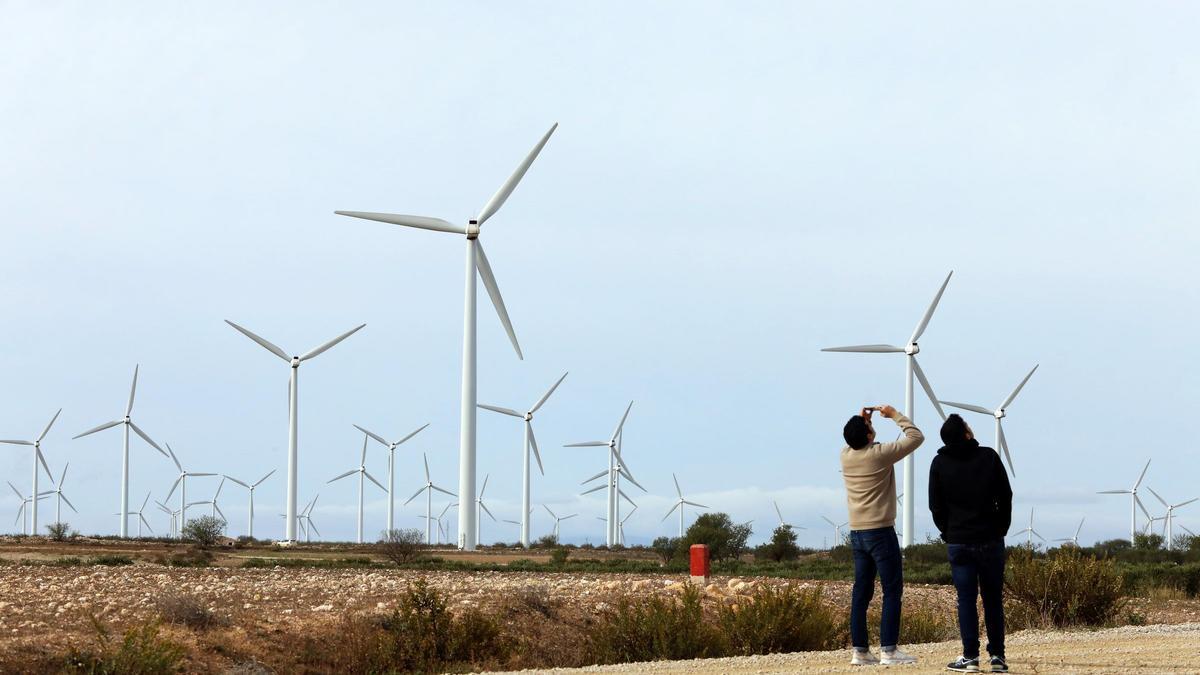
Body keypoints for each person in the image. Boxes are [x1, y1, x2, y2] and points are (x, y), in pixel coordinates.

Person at [840, 404, 924, 666]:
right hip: (880, 532)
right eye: (868, 428)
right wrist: (894, 415)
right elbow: (916, 437)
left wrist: (862, 422)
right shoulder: (879, 454)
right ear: (868, 436)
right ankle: (888, 650)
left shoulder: (845, 455)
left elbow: (853, 440)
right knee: (891, 590)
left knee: (861, 593)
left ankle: (860, 651)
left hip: (856, 533)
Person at [928, 413, 1013, 673]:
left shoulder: (939, 463)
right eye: (967, 426)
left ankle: (970, 657)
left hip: (959, 541)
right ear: (966, 433)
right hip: (989, 538)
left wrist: (948, 532)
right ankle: (997, 656)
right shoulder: (988, 457)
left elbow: (936, 505)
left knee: (965, 599)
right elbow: (1005, 494)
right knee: (992, 600)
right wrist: (1002, 527)